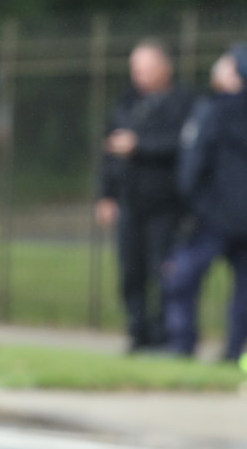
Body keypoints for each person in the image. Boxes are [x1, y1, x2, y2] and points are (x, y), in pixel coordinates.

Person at [95, 41, 195, 352]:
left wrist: (140, 146)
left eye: (147, 68)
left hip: (165, 203)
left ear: (165, 68)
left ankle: (164, 333)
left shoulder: (182, 103)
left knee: (162, 270)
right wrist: (106, 195)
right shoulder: (126, 102)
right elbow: (109, 152)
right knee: (131, 270)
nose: (140, 75)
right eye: (136, 69)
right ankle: (137, 331)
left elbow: (183, 145)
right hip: (130, 200)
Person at [165, 45, 247, 362]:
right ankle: (235, 351)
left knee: (182, 278)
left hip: (212, 217)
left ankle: (182, 345)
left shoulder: (212, 111)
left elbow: (192, 165)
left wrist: (193, 205)